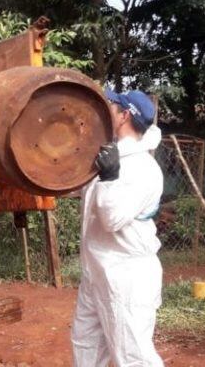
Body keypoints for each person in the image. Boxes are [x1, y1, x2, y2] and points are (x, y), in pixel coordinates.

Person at [71, 89, 165, 367]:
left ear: (124, 116)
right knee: (85, 347)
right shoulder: (109, 158)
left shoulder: (143, 168)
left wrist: (110, 177)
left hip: (126, 277)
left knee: (133, 357)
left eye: (111, 106)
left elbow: (112, 219)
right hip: (97, 272)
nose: (105, 110)